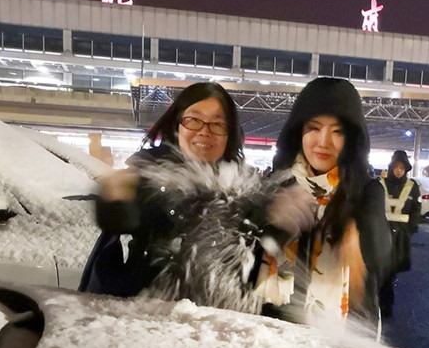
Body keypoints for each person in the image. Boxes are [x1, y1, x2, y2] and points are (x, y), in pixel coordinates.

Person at [78, 82, 312, 309]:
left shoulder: (244, 186)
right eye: (193, 120)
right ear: (178, 125)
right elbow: (122, 220)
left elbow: (259, 251)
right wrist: (114, 199)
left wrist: (281, 221)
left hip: (218, 326)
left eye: (217, 124)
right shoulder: (152, 175)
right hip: (152, 318)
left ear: (229, 134)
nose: (204, 131)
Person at [255, 77, 391, 328]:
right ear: (299, 131)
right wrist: (268, 217)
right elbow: (248, 249)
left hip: (340, 333)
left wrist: (358, 236)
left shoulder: (366, 190)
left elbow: (380, 252)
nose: (323, 141)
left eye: (337, 131)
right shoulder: (277, 184)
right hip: (273, 326)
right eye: (314, 128)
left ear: (351, 138)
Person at [378, 150, 420, 318]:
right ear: (391, 167)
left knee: (392, 270)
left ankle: (385, 304)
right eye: (396, 167)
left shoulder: (412, 187)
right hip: (381, 233)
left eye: (402, 168)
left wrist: (411, 228)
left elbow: (416, 209)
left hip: (401, 235)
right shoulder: (380, 184)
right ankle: (382, 302)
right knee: (381, 269)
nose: (399, 171)